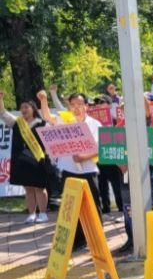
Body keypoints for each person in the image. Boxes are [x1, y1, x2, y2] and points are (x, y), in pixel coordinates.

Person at [38, 91, 103, 250]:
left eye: (80, 105)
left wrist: (83, 157)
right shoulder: (66, 120)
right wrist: (44, 100)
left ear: (86, 106)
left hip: (89, 170)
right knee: (71, 208)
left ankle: (97, 240)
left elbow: (101, 149)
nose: (76, 108)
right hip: (68, 171)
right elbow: (48, 117)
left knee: (94, 206)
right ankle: (77, 241)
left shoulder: (95, 124)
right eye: (73, 105)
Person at [115, 93, 153, 255]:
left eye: (130, 106)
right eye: (124, 107)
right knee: (127, 203)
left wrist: (137, 93)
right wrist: (122, 166)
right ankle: (132, 238)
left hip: (148, 167)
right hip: (126, 171)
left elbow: (147, 112)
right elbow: (113, 150)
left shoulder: (145, 122)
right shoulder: (119, 126)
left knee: (152, 199)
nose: (127, 110)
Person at [0, 92, 52, 223]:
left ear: (33, 109)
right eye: (22, 108)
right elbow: (3, 113)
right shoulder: (17, 123)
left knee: (39, 187)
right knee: (28, 188)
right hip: (22, 161)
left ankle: (43, 213)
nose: (23, 110)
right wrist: (1, 99)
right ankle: (32, 214)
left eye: (26, 107)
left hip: (38, 160)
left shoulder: (42, 123)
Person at [94, 95, 123, 215]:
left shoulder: (116, 119)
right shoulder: (92, 121)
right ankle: (105, 207)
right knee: (101, 183)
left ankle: (122, 208)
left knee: (117, 183)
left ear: (110, 105)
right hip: (98, 155)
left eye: (102, 102)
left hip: (112, 154)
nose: (99, 105)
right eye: (97, 103)